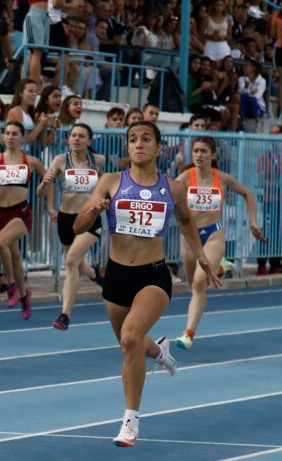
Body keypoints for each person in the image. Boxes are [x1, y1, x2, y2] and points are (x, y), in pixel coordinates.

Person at [73, 121, 221, 447]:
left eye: (145, 139)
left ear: (158, 147)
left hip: (153, 274)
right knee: (132, 344)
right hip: (116, 276)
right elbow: (78, 225)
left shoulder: (173, 188)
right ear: (127, 147)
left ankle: (130, 421)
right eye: (132, 140)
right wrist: (93, 209)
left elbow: (185, 221)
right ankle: (159, 350)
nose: (138, 144)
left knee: (129, 338)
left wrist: (201, 256)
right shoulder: (110, 182)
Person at [173, 136, 265, 349]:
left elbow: (248, 194)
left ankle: (188, 334)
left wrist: (253, 222)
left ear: (213, 155)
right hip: (189, 238)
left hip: (213, 234)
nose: (199, 155)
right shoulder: (185, 178)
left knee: (198, 283)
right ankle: (220, 265)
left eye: (204, 151)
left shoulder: (221, 178)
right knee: (191, 284)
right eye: (196, 151)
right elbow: (168, 198)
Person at [0, 121, 47, 319]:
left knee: (0, 243)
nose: (10, 137)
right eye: (7, 133)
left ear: (22, 138)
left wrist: (51, 206)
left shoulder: (31, 161)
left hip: (20, 212)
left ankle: (10, 282)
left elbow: (49, 180)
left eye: (15, 134)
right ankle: (24, 296)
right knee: (14, 256)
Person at [38, 123, 106, 331]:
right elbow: (40, 192)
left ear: (89, 141)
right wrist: (45, 183)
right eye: (73, 135)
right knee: (77, 265)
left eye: (81, 136)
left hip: (89, 218)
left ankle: (65, 314)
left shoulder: (99, 161)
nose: (76, 139)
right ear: (68, 139)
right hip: (66, 219)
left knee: (70, 261)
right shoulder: (60, 160)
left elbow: (106, 188)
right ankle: (95, 275)